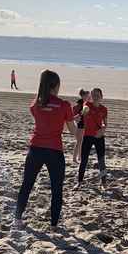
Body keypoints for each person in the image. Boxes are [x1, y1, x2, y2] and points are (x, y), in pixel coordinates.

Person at [15, 70, 76, 227]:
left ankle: (17, 219)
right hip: (54, 151)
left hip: (36, 148)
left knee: (27, 184)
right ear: (55, 85)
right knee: (57, 188)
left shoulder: (35, 103)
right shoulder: (64, 105)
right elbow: (73, 131)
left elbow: (46, 117)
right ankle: (54, 225)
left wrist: (67, 117)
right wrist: (79, 123)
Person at [75, 87, 108, 189]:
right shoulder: (87, 105)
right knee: (84, 160)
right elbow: (84, 111)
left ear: (101, 97)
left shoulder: (104, 109)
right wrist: (81, 114)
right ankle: (79, 182)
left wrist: (102, 130)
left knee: (101, 160)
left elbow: (105, 124)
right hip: (88, 136)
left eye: (97, 95)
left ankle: (104, 183)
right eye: (93, 95)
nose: (95, 97)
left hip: (99, 137)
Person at [72, 88, 90, 164]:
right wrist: (81, 114)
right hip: (79, 125)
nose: (88, 97)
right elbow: (74, 115)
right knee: (79, 142)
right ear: (83, 96)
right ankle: (74, 158)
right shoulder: (80, 104)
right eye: (87, 96)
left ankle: (80, 157)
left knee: (80, 142)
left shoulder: (83, 103)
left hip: (81, 124)